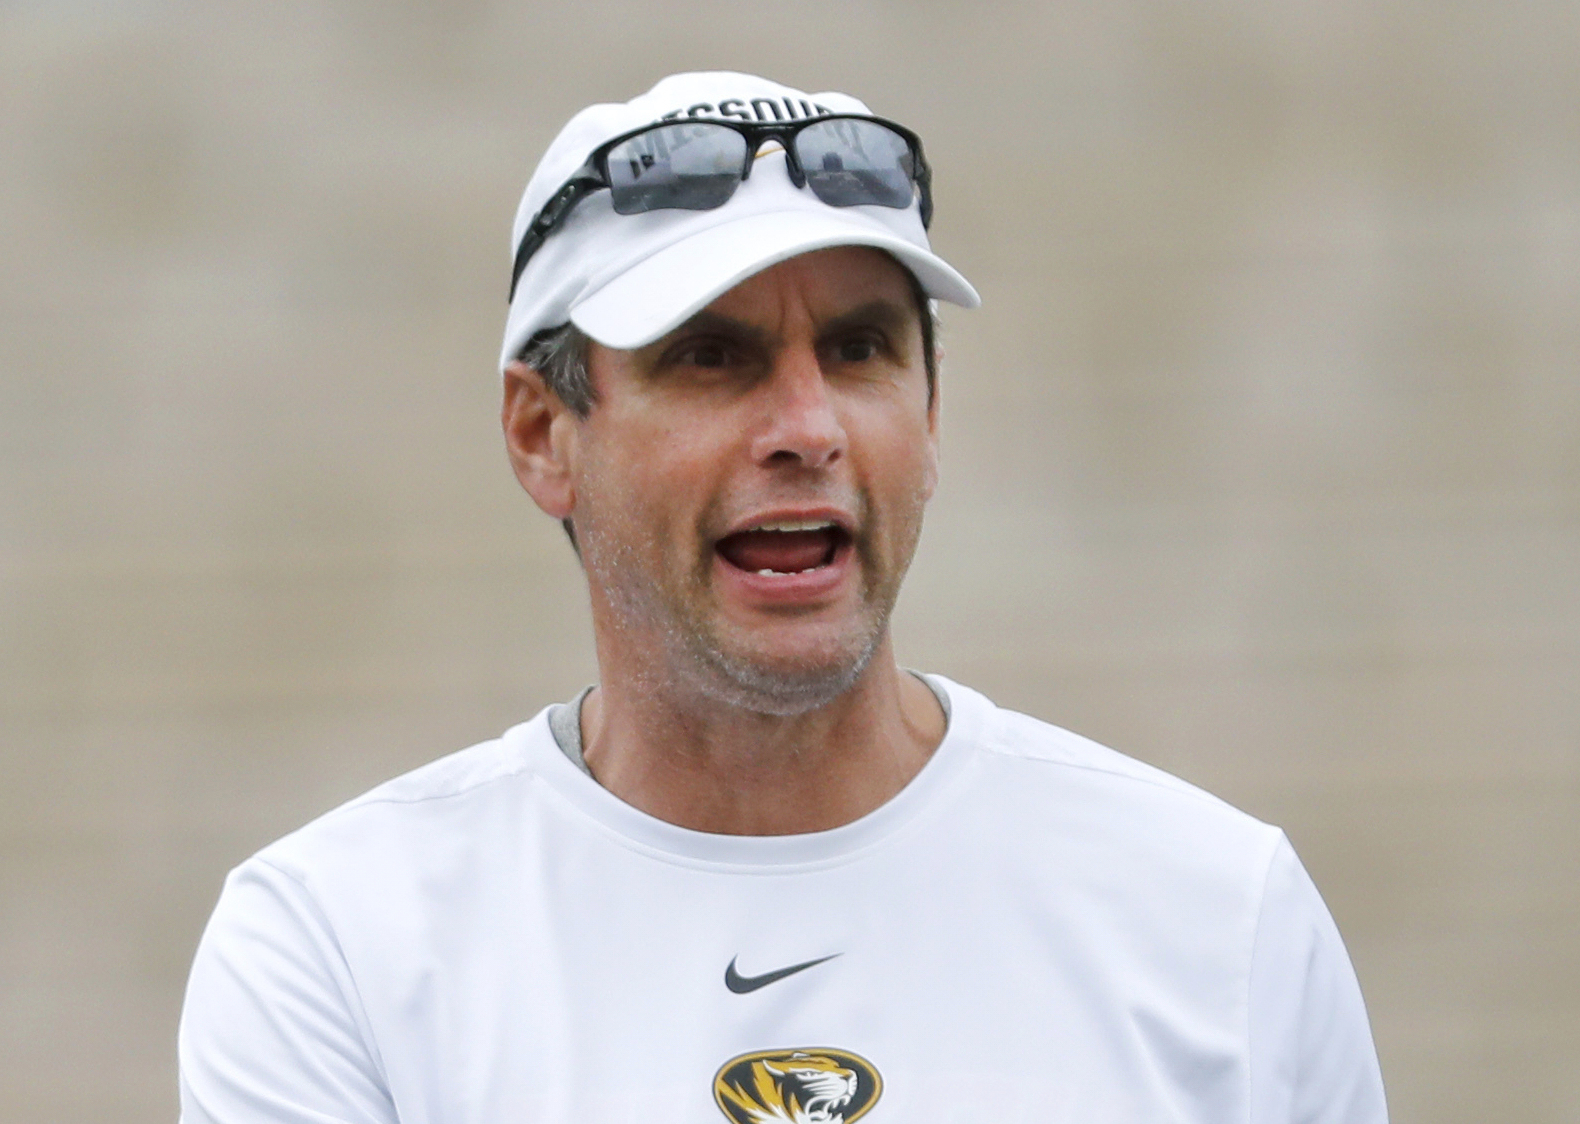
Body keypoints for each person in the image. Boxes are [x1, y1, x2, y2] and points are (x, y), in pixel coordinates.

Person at [177, 72, 1388, 1124]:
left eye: (861, 350)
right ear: (543, 432)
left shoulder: (1222, 920)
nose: (807, 428)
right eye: (714, 356)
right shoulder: (334, 948)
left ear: (929, 409)